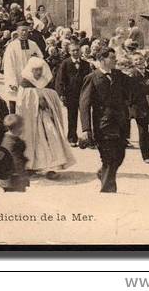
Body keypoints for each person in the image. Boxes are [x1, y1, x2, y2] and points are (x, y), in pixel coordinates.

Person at [79, 48, 130, 193]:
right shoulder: (92, 78)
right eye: (112, 58)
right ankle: (108, 191)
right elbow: (84, 105)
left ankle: (103, 173)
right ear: (102, 59)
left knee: (120, 155)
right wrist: (86, 129)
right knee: (109, 158)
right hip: (103, 124)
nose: (116, 60)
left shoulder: (118, 75)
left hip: (120, 124)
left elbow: (136, 86)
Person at [18, 56, 75, 178]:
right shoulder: (25, 83)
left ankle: (51, 168)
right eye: (35, 70)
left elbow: (53, 97)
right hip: (31, 120)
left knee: (51, 139)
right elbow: (22, 103)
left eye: (40, 69)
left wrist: (46, 101)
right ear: (30, 70)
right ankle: (31, 166)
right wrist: (37, 101)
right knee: (34, 142)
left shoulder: (46, 81)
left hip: (46, 117)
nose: (38, 72)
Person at [55, 44, 91, 146]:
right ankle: (72, 138)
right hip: (71, 94)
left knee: (86, 115)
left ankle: (89, 138)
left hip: (83, 93)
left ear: (80, 51)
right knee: (72, 116)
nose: (75, 52)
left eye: (77, 50)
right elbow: (60, 80)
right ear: (69, 52)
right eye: (73, 50)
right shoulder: (65, 63)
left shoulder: (86, 64)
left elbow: (89, 79)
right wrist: (62, 93)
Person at [2, 25, 44, 109]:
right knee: (16, 103)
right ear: (17, 31)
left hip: (31, 80)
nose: (24, 32)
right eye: (22, 30)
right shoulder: (12, 46)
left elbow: (40, 60)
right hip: (17, 79)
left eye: (26, 30)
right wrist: (12, 82)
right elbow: (9, 66)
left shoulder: (33, 45)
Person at [0, 114, 29, 193]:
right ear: (18, 128)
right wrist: (23, 176)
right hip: (14, 180)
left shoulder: (5, 139)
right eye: (22, 126)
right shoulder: (12, 142)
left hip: (8, 179)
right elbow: (16, 161)